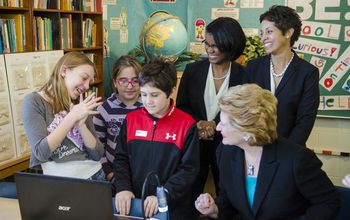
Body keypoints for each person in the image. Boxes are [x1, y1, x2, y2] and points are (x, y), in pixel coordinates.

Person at [195, 84, 340, 220]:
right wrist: (214, 209)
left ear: (247, 131)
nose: (218, 128)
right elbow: (228, 201)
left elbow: (329, 202)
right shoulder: (226, 152)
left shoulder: (296, 159)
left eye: (224, 123)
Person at [176, 16, 246, 217]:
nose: (210, 50)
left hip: (227, 147)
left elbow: (242, 112)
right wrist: (199, 124)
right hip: (194, 146)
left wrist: (213, 124)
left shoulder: (244, 75)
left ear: (230, 45)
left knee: (228, 196)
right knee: (189, 197)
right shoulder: (192, 70)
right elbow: (182, 106)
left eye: (216, 45)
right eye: (207, 44)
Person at [114, 58, 199, 219]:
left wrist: (163, 194)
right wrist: (123, 187)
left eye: (154, 95)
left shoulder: (186, 124)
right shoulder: (131, 119)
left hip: (172, 207)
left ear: (172, 91)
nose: (148, 101)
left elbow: (189, 170)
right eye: (144, 94)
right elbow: (121, 158)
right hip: (135, 203)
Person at [22, 51, 104, 180]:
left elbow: (97, 154)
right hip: (61, 183)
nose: (87, 86)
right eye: (84, 78)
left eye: (90, 81)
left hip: (95, 176)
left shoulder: (80, 103)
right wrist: (71, 118)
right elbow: (41, 153)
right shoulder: (34, 101)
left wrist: (81, 126)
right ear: (64, 71)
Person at [245, 5, 319, 146]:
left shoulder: (308, 72)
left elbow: (304, 121)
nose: (263, 38)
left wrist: (285, 153)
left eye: (269, 32)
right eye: (262, 33)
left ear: (288, 33)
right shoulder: (253, 67)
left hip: (290, 152)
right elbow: (245, 110)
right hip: (254, 148)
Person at [93, 56, 143, 185]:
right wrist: (109, 173)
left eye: (135, 80)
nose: (129, 86)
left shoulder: (149, 108)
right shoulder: (103, 110)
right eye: (123, 81)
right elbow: (98, 148)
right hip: (114, 175)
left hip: (143, 175)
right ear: (115, 82)